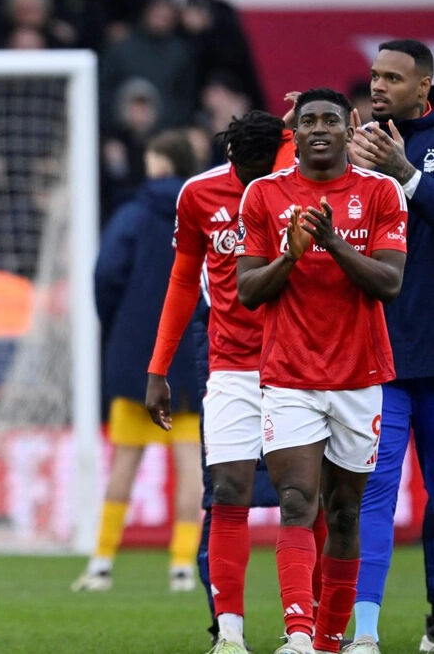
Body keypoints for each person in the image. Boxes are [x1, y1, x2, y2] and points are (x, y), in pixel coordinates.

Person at [236, 87, 408, 654]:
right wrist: (289, 254)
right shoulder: (263, 194)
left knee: (344, 510)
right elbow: (248, 292)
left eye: (329, 120)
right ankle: (300, 634)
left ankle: (334, 637)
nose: (318, 129)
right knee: (295, 501)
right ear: (296, 129)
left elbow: (389, 282)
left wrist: (330, 242)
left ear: (348, 125)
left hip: (360, 376)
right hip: (288, 375)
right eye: (307, 120)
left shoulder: (380, 192)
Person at [145, 110, 288, 652]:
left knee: (309, 499)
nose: (255, 182)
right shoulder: (200, 194)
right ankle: (225, 630)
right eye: (246, 171)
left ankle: (314, 628)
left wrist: (297, 123)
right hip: (228, 361)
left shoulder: (297, 181)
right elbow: (183, 280)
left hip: (301, 365)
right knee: (225, 493)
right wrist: (159, 367)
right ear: (231, 158)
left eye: (264, 168)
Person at [75, 129, 203, 594]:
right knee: (191, 462)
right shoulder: (203, 212)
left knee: (125, 460)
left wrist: (119, 327)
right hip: (188, 353)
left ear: (157, 162)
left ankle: (103, 561)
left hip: (136, 354)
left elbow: (106, 274)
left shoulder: (132, 213)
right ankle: (183, 565)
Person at [345, 38, 434, 653]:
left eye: (394, 78)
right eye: (375, 76)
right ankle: (366, 631)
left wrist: (405, 176)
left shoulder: (414, 153)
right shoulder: (355, 147)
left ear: (425, 87)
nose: (379, 87)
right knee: (371, 494)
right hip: (379, 354)